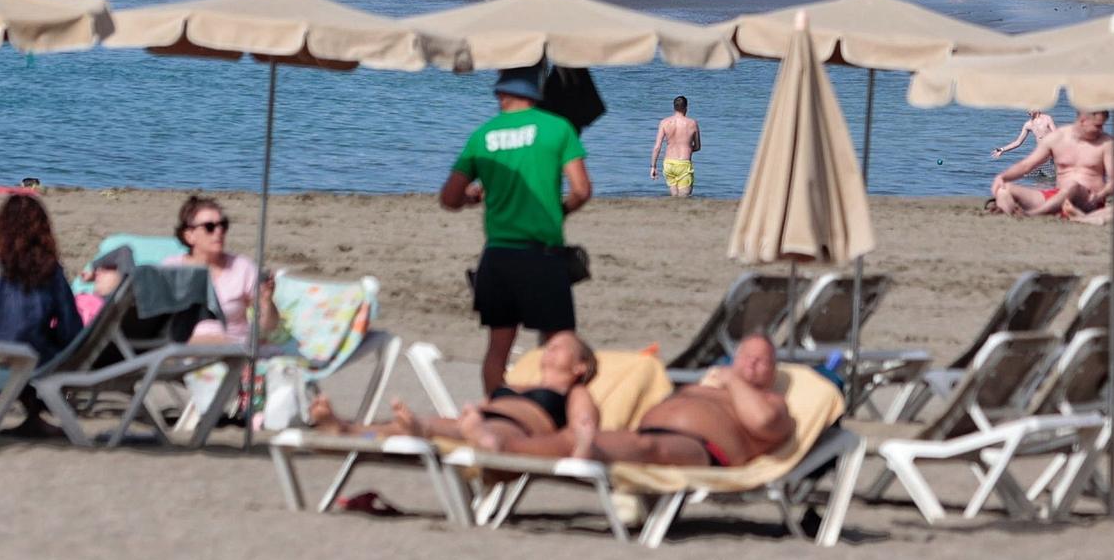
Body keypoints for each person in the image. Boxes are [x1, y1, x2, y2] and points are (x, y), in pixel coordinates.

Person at [442, 67, 593, 394]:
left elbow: (449, 198)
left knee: (498, 347)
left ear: (502, 93)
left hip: (498, 256)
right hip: (542, 255)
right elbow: (581, 189)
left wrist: (471, 198)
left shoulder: (482, 135)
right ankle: (555, 416)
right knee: (561, 343)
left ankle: (498, 415)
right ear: (536, 93)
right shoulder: (557, 128)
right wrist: (558, 212)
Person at [311, 331, 599, 457]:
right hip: (481, 419)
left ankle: (486, 438)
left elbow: (582, 427)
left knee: (479, 428)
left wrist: (579, 445)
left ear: (579, 366)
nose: (550, 348)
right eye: (549, 345)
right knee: (420, 425)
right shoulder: (519, 383)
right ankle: (347, 430)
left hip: (518, 429)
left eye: (561, 346)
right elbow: (485, 405)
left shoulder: (573, 391)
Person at [530, 335, 794, 468]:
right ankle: (515, 448)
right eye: (746, 355)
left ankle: (528, 448)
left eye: (763, 360)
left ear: (773, 372)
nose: (752, 362)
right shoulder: (712, 388)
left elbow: (764, 421)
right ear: (735, 359)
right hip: (652, 432)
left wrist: (732, 380)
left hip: (702, 448)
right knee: (597, 438)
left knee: (643, 446)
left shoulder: (773, 402)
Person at [0, 194, 83, 369]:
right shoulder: (50, 271)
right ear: (43, 232)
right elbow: (70, 330)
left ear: (0, 227)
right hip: (29, 361)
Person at [167, 194, 278, 346]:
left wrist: (267, 301)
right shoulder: (171, 269)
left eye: (223, 225)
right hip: (183, 348)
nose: (219, 231)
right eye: (209, 227)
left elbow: (269, 327)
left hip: (232, 349)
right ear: (189, 236)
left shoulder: (242, 268)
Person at [991, 109, 1114, 218]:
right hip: (1058, 198)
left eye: (1102, 125)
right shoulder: (1057, 138)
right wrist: (1002, 177)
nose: (1100, 129)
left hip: (1088, 202)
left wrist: (1099, 196)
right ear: (1082, 120)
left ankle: (1033, 215)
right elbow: (1026, 165)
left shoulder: (1106, 143)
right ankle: (1010, 219)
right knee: (1005, 189)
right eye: (1097, 125)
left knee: (1073, 186)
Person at [650, 95, 701, 198]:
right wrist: (687, 148)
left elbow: (657, 147)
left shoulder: (664, 122)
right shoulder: (692, 123)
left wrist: (653, 166)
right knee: (684, 198)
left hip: (668, 164)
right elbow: (698, 146)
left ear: (674, 107)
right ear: (686, 107)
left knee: (674, 197)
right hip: (683, 164)